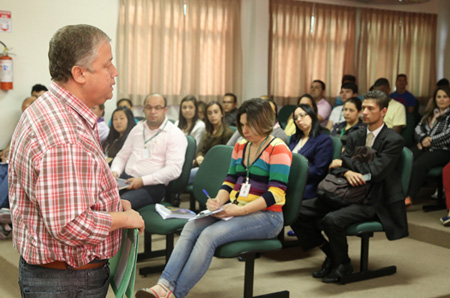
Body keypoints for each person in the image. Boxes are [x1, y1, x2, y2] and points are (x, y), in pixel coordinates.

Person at [8, 24, 144, 297]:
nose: (115, 73)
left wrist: (112, 204)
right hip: (67, 280)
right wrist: (122, 218)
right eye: (107, 65)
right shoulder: (65, 135)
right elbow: (70, 224)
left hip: (56, 275)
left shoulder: (52, 108)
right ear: (79, 73)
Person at [136, 98, 292, 298]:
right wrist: (219, 201)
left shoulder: (278, 148)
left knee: (209, 235)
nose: (245, 130)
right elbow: (230, 180)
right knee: (192, 225)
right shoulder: (241, 146)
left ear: (263, 122)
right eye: (242, 125)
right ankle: (163, 286)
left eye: (249, 125)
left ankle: (175, 295)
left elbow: (276, 193)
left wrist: (240, 210)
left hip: (267, 217)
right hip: (236, 210)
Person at [290, 90, 407, 283]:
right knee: (297, 212)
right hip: (344, 191)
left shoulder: (394, 140)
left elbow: (375, 173)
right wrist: (346, 172)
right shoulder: (355, 135)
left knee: (332, 220)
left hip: (372, 198)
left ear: (383, 111)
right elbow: (337, 164)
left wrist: (346, 165)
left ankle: (343, 264)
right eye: (363, 108)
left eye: (371, 108)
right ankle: (333, 255)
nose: (365, 112)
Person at [111, 93, 187, 210]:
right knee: (98, 198)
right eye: (149, 107)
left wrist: (142, 181)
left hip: (152, 186)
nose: (152, 111)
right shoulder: (137, 129)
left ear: (165, 110)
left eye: (157, 108)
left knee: (118, 204)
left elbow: (174, 170)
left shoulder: (175, 134)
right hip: (125, 180)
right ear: (144, 110)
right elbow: (122, 156)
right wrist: (115, 171)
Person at [404, 86, 450, 207]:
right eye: (439, 97)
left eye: (445, 97)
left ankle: (410, 196)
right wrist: (423, 138)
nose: (441, 100)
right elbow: (418, 128)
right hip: (426, 147)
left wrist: (430, 140)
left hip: (444, 150)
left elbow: (448, 135)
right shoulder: (431, 112)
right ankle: (398, 194)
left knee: (419, 164)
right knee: (406, 158)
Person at [288, 104, 333, 200]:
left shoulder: (323, 140)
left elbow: (318, 171)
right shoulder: (294, 138)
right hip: (286, 182)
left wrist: (293, 174)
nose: (299, 120)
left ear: (311, 116)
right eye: (295, 118)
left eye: (302, 115)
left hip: (306, 187)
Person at [193, 101, 233, 168]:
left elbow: (223, 157)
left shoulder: (227, 133)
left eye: (216, 112)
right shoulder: (208, 131)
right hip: (203, 163)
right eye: (209, 113)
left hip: (215, 166)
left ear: (222, 113)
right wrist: (199, 156)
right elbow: (201, 150)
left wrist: (204, 160)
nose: (213, 115)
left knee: (192, 173)